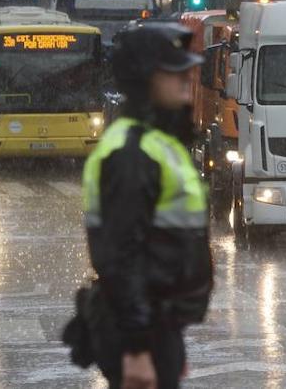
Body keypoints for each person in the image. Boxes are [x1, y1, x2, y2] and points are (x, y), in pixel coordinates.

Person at [82, 24, 213, 389]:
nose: (187, 78)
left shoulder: (155, 143)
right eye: (173, 71)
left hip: (157, 326)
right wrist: (138, 349)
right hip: (140, 332)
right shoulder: (131, 153)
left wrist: (168, 342)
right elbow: (121, 254)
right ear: (144, 79)